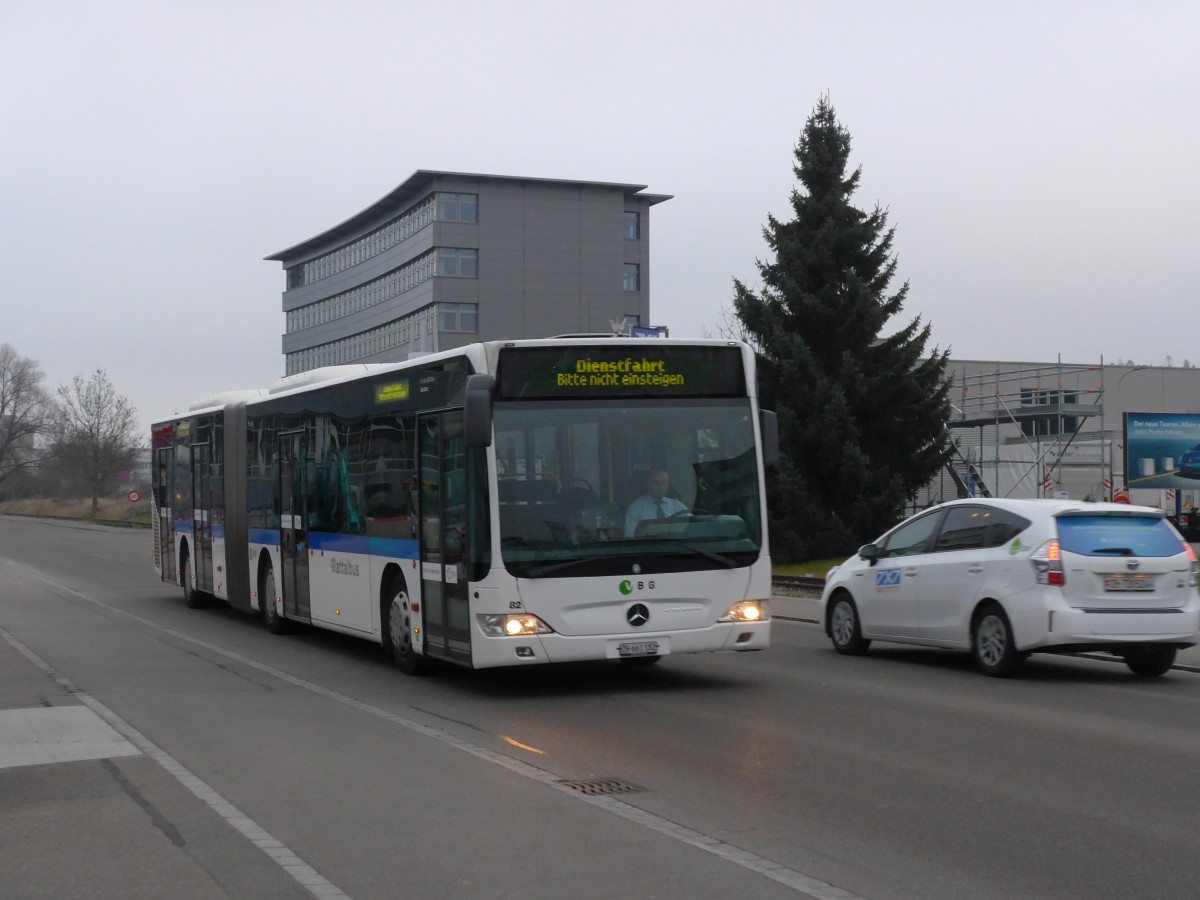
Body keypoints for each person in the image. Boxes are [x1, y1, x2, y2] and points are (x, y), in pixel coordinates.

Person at [625, 468, 687, 536]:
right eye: (656, 483)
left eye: (664, 483)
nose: (661, 487)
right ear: (648, 484)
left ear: (669, 484)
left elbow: (690, 526)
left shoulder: (677, 505)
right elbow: (629, 536)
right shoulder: (636, 508)